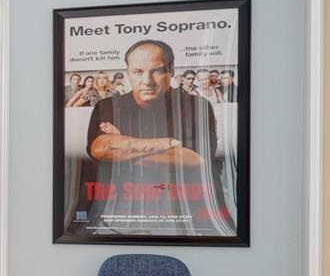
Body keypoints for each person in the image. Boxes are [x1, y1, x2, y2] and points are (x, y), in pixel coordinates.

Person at [81, 38, 232, 235]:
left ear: (171, 70)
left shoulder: (196, 106)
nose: (147, 81)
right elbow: (100, 149)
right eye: (138, 72)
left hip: (185, 218)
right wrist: (167, 144)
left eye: (157, 71)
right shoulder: (108, 106)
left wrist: (122, 148)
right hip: (120, 217)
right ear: (128, 72)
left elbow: (196, 160)